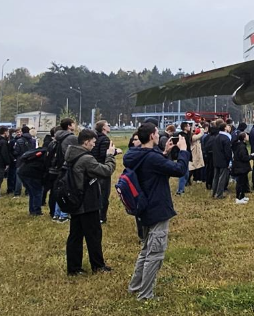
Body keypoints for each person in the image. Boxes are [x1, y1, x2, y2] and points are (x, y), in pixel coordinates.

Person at [122, 122, 189, 300]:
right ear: (152, 136)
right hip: (157, 207)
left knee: (145, 250)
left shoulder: (133, 154)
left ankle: (135, 286)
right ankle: (145, 294)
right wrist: (182, 150)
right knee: (155, 253)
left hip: (142, 207)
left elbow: (152, 167)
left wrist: (165, 153)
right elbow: (179, 170)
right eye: (156, 134)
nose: (159, 136)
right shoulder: (152, 158)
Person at [65, 129, 118, 275]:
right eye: (93, 142)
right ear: (86, 141)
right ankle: (98, 266)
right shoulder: (86, 159)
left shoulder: (71, 154)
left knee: (75, 235)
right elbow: (106, 171)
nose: (94, 145)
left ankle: (73, 268)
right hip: (87, 202)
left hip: (75, 200)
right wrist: (110, 156)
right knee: (94, 235)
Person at [17, 133, 51, 216]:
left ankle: (32, 210)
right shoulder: (46, 155)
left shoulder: (39, 151)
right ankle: (36, 211)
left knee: (32, 193)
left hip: (22, 171)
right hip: (32, 174)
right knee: (37, 192)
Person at [93, 120, 114, 223]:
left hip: (93, 167)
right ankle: (102, 217)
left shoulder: (94, 138)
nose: (109, 126)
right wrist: (113, 153)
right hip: (102, 168)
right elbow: (103, 154)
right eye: (108, 125)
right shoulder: (105, 139)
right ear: (103, 128)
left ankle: (95, 214)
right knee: (104, 194)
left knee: (95, 193)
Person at [211, 121, 233, 199]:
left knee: (215, 177)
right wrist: (229, 160)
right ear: (225, 128)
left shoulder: (216, 137)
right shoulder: (226, 138)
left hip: (216, 159)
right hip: (223, 160)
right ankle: (219, 194)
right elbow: (228, 151)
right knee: (222, 178)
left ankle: (213, 193)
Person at [230, 131, 251, 204]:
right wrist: (250, 156)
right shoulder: (241, 146)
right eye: (247, 136)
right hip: (240, 167)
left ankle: (242, 196)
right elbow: (243, 157)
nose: (248, 137)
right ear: (244, 138)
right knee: (240, 183)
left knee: (243, 182)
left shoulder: (240, 145)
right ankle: (238, 198)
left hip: (241, 167)